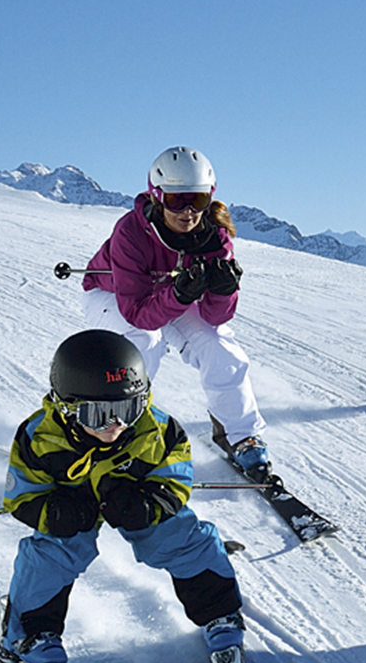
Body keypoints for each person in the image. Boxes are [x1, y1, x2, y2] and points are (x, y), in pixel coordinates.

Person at [0, 329, 254, 663]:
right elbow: (21, 495)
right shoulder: (40, 438)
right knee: (52, 551)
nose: (114, 426)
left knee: (182, 534)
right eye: (98, 415)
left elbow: (176, 478)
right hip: (76, 506)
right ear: (66, 406)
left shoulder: (158, 430)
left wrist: (151, 503)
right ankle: (33, 635)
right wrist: (55, 513)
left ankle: (221, 618)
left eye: (128, 409)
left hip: (132, 500)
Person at [82, 146, 272, 477]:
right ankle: (107, 432)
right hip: (112, 295)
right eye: (175, 201)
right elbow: (137, 313)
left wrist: (225, 291)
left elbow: (214, 318)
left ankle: (241, 438)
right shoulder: (131, 231)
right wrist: (181, 293)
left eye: (197, 201)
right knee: (143, 343)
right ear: (157, 196)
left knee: (219, 347)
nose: (188, 212)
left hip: (173, 297)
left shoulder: (215, 235)